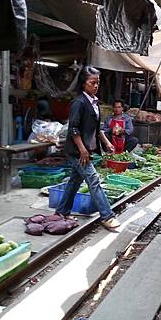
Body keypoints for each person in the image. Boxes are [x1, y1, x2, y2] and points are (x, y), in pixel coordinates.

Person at [57, 66, 120, 229]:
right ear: (84, 83)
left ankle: (62, 211)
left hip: (86, 150)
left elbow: (97, 128)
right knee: (93, 179)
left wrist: (107, 143)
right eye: (93, 82)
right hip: (77, 151)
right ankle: (107, 216)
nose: (96, 85)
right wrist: (82, 150)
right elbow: (74, 129)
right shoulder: (79, 102)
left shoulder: (94, 102)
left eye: (97, 82)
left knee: (75, 181)